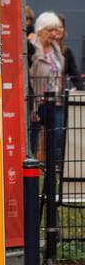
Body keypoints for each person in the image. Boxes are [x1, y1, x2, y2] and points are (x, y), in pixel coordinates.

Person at [30, 11, 65, 163]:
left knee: (56, 136)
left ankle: (54, 170)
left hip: (55, 101)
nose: (54, 34)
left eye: (55, 30)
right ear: (41, 30)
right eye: (50, 30)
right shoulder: (32, 47)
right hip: (37, 101)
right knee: (33, 137)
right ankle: (31, 168)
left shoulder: (56, 48)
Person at [58, 15, 83, 91]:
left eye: (61, 26)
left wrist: (81, 90)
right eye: (55, 27)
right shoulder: (41, 50)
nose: (58, 29)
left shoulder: (67, 52)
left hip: (59, 97)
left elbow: (76, 76)